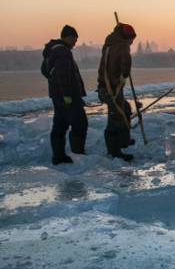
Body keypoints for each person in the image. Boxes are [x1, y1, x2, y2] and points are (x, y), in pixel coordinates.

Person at [41, 25, 88, 165]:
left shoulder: (52, 50)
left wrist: (54, 85)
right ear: (69, 37)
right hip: (68, 96)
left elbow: (45, 70)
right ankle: (79, 158)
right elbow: (63, 75)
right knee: (80, 123)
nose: (75, 43)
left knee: (60, 124)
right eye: (74, 39)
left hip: (57, 94)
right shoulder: (62, 51)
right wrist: (67, 95)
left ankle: (58, 157)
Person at [97, 23, 138, 161]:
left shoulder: (110, 45)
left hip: (105, 86)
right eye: (131, 39)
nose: (132, 42)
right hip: (112, 88)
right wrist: (124, 76)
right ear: (127, 38)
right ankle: (114, 153)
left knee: (125, 108)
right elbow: (125, 61)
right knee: (115, 118)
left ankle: (124, 140)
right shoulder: (122, 47)